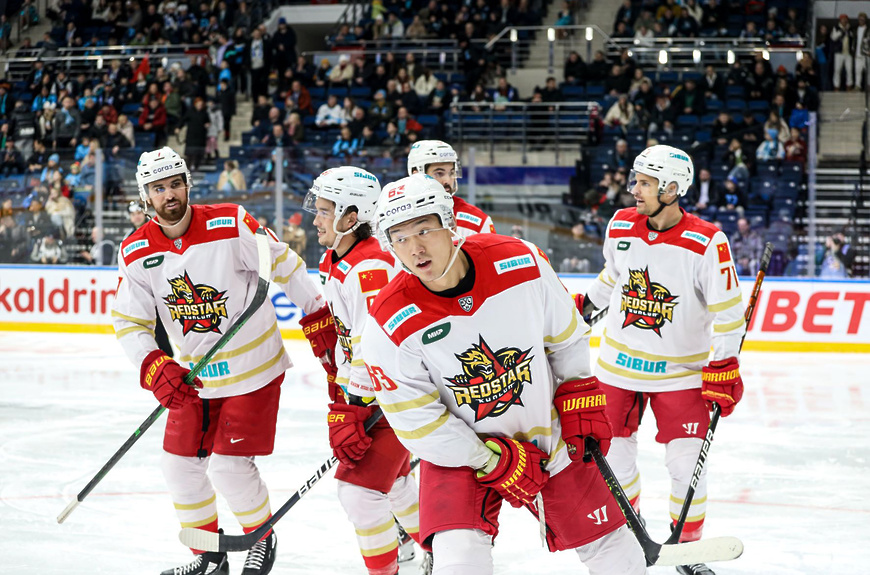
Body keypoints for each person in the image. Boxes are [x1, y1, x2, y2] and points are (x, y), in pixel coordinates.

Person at [361, 173, 647, 575]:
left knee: (618, 554)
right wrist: (490, 460)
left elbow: (565, 338)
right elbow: (417, 422)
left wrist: (578, 391)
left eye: (424, 230)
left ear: (449, 223)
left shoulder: (521, 262)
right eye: (400, 238)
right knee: (458, 564)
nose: (415, 248)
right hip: (460, 457)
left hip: (548, 435)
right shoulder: (387, 322)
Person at [112, 147, 327, 575]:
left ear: (188, 185)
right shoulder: (135, 250)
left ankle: (261, 538)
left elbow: (285, 265)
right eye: (159, 188)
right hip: (197, 378)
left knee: (229, 467)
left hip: (254, 371)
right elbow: (129, 321)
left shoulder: (230, 222)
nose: (169, 194)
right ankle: (209, 557)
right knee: (178, 466)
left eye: (176, 184)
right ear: (145, 195)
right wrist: (154, 365)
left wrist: (318, 314)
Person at [579, 145, 746, 575]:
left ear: (672, 189)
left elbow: (729, 313)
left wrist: (724, 364)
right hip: (617, 370)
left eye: (645, 183)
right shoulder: (621, 224)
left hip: (680, 374)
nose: (634, 190)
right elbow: (611, 278)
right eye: (635, 181)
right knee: (614, 463)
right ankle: (633, 536)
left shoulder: (707, 242)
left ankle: (686, 549)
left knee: (688, 468)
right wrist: (581, 311)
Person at [299, 167, 424, 575]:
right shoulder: (337, 258)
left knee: (358, 492)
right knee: (398, 484)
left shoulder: (370, 267)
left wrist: (353, 404)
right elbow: (350, 339)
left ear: (351, 217)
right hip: (380, 392)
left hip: (396, 393)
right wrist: (340, 383)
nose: (315, 220)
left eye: (324, 211)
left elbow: (375, 347)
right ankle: (443, 550)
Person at [407, 140, 495, 237]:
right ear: (417, 175)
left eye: (452, 173)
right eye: (439, 173)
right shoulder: (398, 217)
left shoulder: (478, 223)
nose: (448, 180)